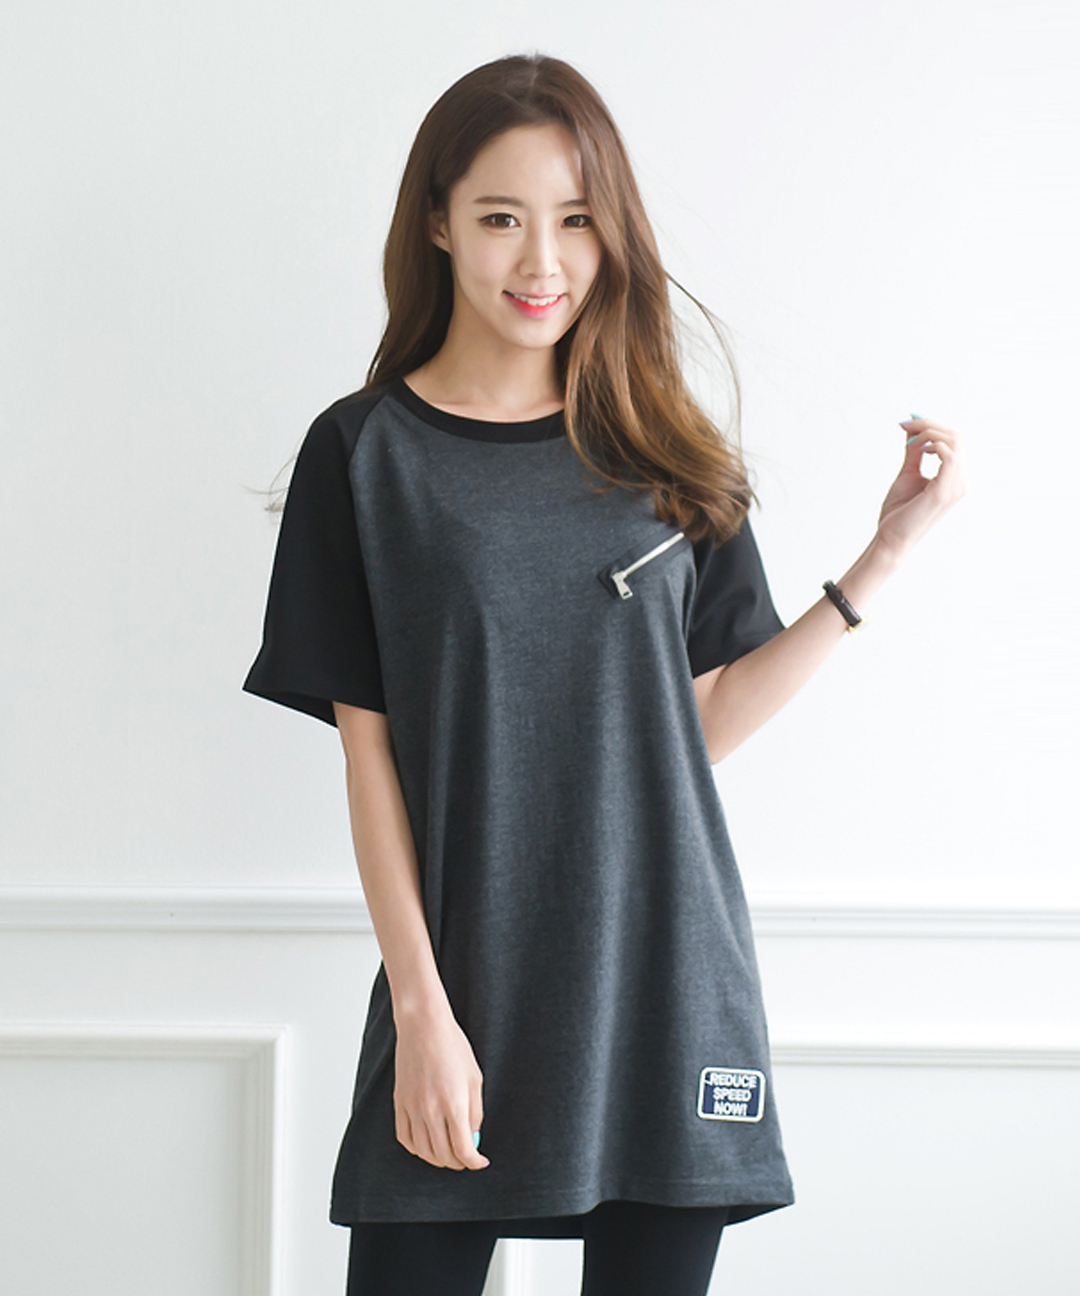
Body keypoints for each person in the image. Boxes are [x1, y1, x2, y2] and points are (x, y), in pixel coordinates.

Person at [242, 52, 967, 1296]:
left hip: (664, 987)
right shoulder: (364, 457)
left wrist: (883, 556)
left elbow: (699, 724)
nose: (543, 261)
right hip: (463, 989)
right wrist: (420, 1012)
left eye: (576, 220)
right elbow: (371, 758)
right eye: (501, 219)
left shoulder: (665, 453)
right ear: (437, 223)